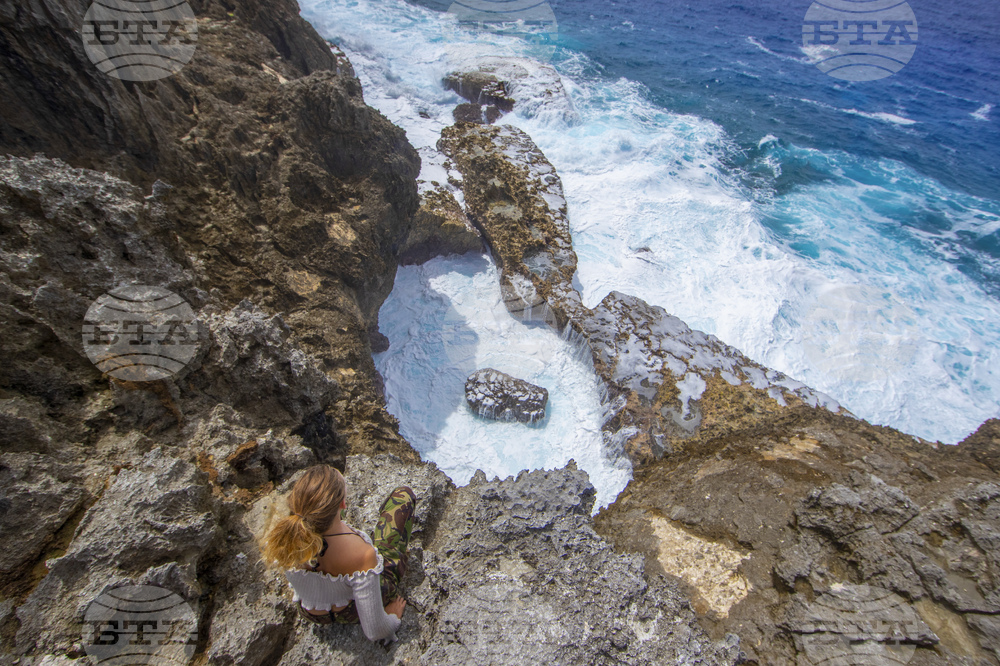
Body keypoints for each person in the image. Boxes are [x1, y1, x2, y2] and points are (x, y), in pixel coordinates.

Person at [262, 465, 417, 643]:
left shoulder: (286, 536)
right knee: (403, 496)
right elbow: (375, 631)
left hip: (311, 612)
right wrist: (392, 618)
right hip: (349, 611)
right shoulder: (362, 554)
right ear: (343, 504)